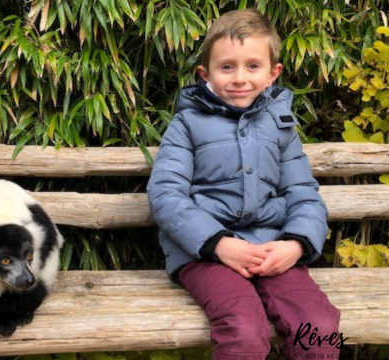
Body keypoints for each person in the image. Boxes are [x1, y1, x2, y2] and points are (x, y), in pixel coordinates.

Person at [146, 8, 341, 360]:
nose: (239, 78)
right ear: (205, 74)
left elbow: (303, 195)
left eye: (252, 66)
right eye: (226, 67)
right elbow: (166, 195)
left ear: (272, 74)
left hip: (273, 249)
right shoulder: (186, 125)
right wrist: (217, 243)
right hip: (205, 254)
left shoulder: (281, 127)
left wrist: (296, 245)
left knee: (320, 327)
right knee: (244, 327)